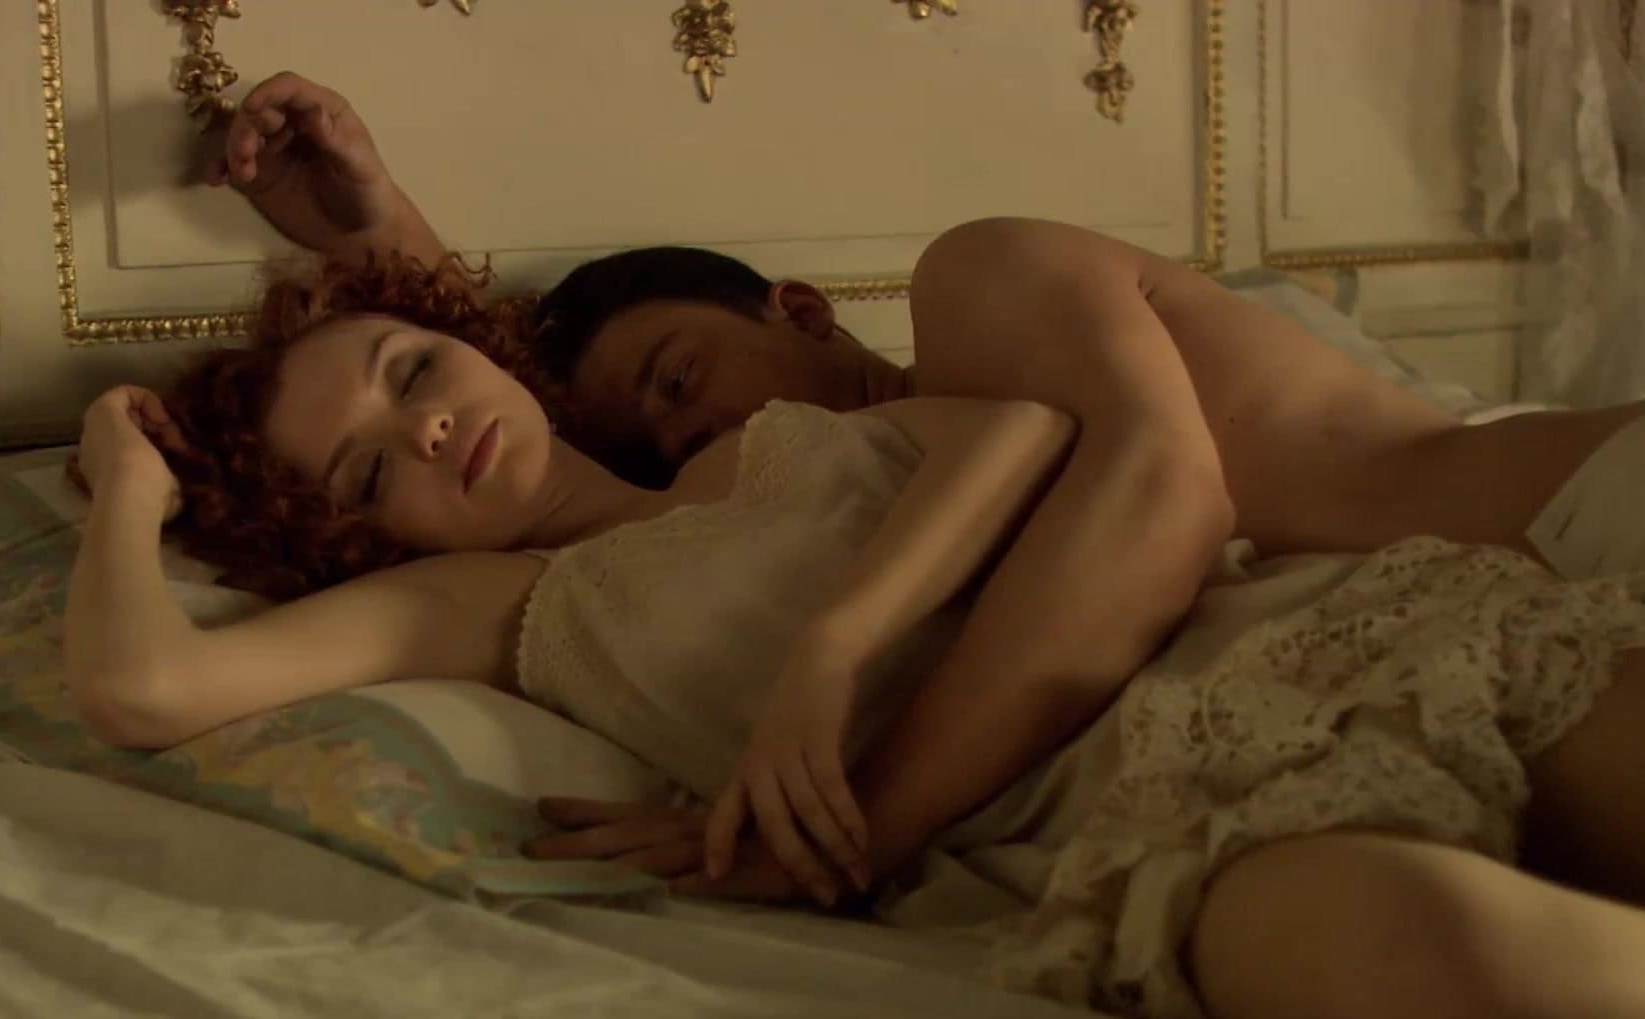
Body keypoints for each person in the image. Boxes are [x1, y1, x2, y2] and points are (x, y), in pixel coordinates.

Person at [66, 248, 1645, 1019]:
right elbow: (143, 687)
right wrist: (127, 491)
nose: (423, 432)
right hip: (1149, 818)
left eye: (416, 372)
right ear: (360, 539)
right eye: (367, 474)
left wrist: (834, 648)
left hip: (1341, 639)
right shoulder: (487, 606)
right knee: (1447, 958)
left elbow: (1024, 432)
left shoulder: (767, 443)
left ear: (475, 349)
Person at [202, 73, 1645, 912]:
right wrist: (373, 233)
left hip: (1583, 522)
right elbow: (505, 452)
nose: (703, 431)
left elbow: (1163, 496)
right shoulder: (874, 506)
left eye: (683, 374)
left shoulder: (977, 284)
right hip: (1468, 638)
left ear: (800, 308)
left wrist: (858, 821)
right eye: (665, 438)